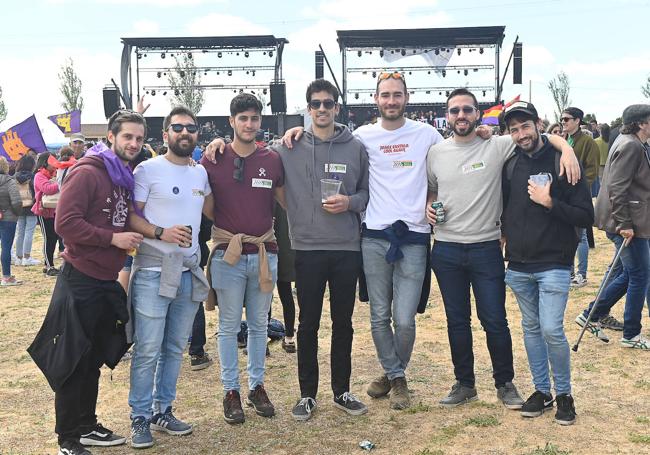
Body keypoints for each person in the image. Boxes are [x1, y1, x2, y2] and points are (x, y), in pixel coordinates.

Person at [426, 89, 580, 409]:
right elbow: (431, 189)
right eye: (455, 111)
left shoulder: (496, 145)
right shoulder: (436, 152)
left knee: (494, 319)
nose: (461, 116)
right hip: (446, 248)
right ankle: (465, 383)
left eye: (467, 109)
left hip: (485, 247)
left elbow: (537, 136)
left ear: (478, 114)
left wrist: (566, 146)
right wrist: (429, 206)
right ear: (448, 115)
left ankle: (504, 383)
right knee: (457, 321)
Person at [29, 110, 146, 455]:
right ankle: (68, 438)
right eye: (127, 137)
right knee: (73, 360)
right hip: (80, 280)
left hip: (105, 280)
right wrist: (113, 240)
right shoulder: (87, 172)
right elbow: (65, 224)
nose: (134, 144)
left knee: (93, 357)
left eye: (139, 138)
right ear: (110, 136)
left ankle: (86, 424)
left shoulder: (120, 173)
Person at [274, 79, 369, 421]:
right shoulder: (288, 147)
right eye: (316, 104)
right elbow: (257, 163)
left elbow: (366, 195)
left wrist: (349, 202)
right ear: (308, 108)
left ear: (337, 108)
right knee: (307, 323)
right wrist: (214, 149)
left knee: (343, 322)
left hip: (346, 247)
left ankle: (342, 391)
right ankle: (307, 394)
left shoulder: (355, 147)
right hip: (307, 248)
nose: (322, 109)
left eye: (328, 103)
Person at [501, 101, 593, 425]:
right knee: (531, 330)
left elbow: (586, 215)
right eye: (514, 129)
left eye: (525, 126)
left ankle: (565, 394)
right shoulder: (509, 165)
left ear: (539, 124)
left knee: (552, 329)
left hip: (554, 263)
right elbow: (505, 209)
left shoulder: (561, 159)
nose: (521, 134)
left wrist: (550, 202)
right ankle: (543, 391)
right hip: (519, 267)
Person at [126, 106, 212, 449]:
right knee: (147, 349)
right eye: (177, 127)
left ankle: (164, 410)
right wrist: (161, 232)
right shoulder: (147, 170)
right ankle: (140, 417)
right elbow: (131, 218)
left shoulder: (200, 173)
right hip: (151, 271)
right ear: (165, 135)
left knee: (175, 347)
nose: (184, 133)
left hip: (188, 272)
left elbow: (215, 209)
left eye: (191, 128)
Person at [202, 93, 284, 425]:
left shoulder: (273, 159)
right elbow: (208, 206)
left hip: (265, 253)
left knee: (260, 325)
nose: (249, 124)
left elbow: (283, 201)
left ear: (260, 122)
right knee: (227, 326)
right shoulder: (212, 159)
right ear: (231, 121)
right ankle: (231, 391)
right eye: (243, 118)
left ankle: (257, 386)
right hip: (228, 256)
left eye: (254, 118)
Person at [575, 104, 650, 349]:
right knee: (638, 274)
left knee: (628, 273)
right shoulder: (630, 145)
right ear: (640, 123)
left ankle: (592, 313)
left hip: (630, 221)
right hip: (627, 223)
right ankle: (631, 333)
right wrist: (625, 224)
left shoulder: (633, 142)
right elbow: (617, 188)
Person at [561, 107, 599, 288]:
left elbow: (592, 170)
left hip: (579, 196)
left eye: (567, 119)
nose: (563, 122)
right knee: (567, 235)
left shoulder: (587, 142)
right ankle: (569, 273)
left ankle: (581, 275)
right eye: (562, 119)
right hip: (564, 196)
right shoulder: (563, 140)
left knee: (581, 236)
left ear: (577, 121)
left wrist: (582, 190)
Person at [32, 152, 61, 276]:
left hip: (52, 212)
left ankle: (48, 264)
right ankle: (49, 266)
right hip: (43, 212)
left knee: (53, 238)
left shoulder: (50, 176)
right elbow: (47, 189)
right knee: (49, 238)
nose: (54, 166)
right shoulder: (39, 176)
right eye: (52, 163)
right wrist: (60, 183)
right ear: (45, 163)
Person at [12, 154, 40, 267]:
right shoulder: (33, 177)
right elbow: (36, 192)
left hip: (18, 207)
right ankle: (27, 257)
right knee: (29, 232)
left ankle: (19, 257)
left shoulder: (14, 177)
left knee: (20, 232)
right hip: (31, 206)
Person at [0, 156, 23, 286]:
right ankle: (7, 277)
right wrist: (16, 213)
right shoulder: (9, 181)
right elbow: (17, 201)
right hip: (8, 218)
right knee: (6, 247)